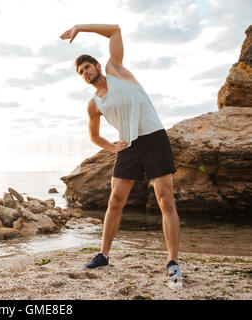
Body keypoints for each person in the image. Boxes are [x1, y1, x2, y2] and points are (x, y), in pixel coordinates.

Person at [60, 24, 183, 280]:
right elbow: (94, 136)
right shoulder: (94, 104)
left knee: (165, 200)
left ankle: (172, 261)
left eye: (87, 67)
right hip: (128, 147)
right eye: (81, 72)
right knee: (115, 201)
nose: (85, 73)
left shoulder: (116, 71)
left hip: (154, 139)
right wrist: (111, 146)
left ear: (96, 65)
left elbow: (115, 30)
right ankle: (103, 255)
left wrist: (80, 28)